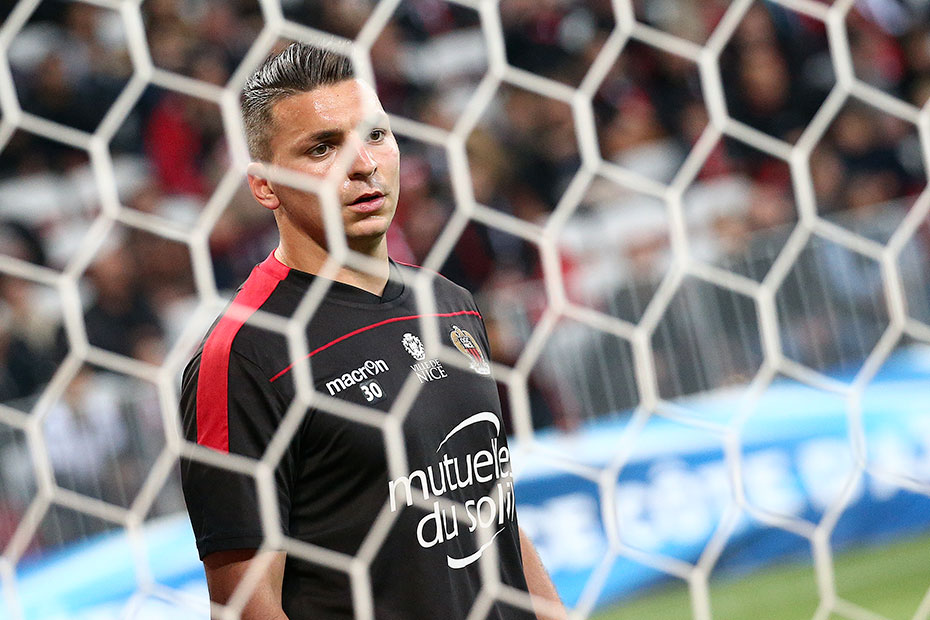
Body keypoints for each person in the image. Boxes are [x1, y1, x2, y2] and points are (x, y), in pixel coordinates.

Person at [179, 42, 566, 620]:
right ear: (264, 186)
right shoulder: (246, 355)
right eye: (322, 147)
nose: (362, 163)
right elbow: (245, 606)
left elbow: (492, 515)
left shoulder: (450, 305)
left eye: (375, 135)